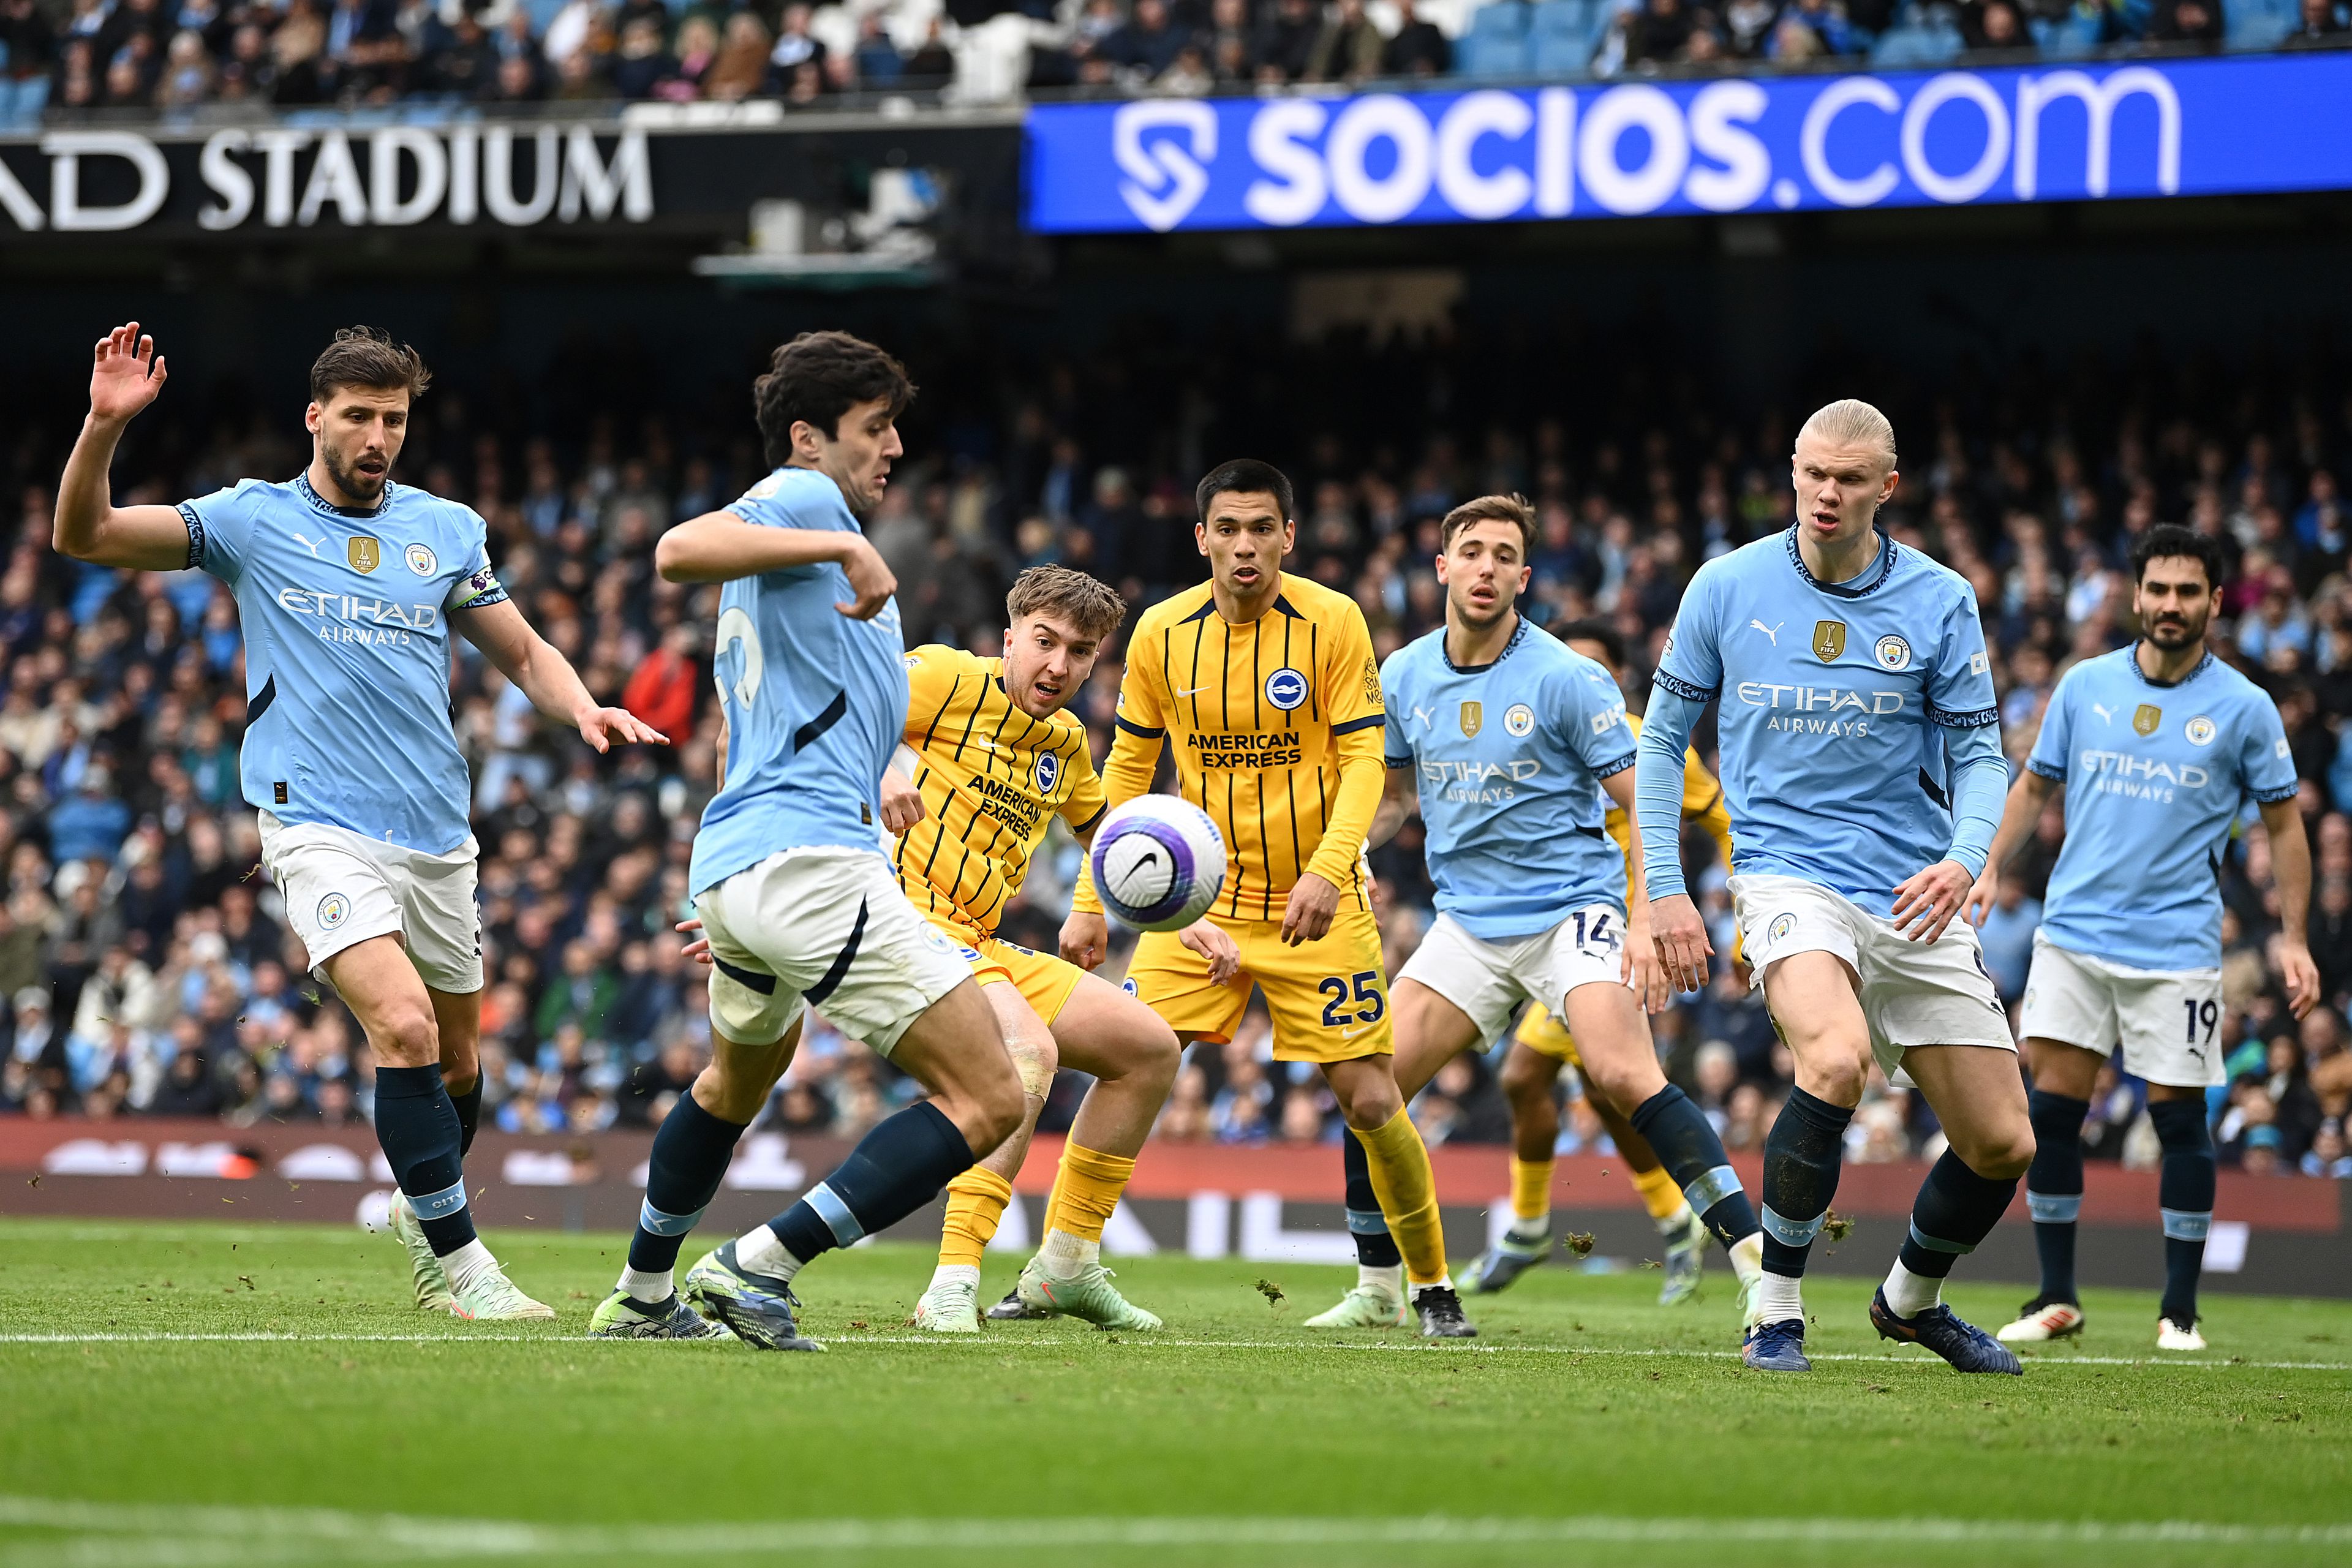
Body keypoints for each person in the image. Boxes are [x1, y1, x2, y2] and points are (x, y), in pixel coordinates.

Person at [53, 323, 663, 1321]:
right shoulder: (251, 520)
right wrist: (101, 429)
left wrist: (582, 704)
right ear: (315, 419)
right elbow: (87, 537)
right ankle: (463, 1269)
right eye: (360, 416)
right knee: (404, 1022)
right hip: (315, 820)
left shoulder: (447, 530)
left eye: (395, 418)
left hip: (436, 829)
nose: (379, 435)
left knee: (459, 1063)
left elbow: (522, 651)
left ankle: (421, 1206)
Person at [589, 331, 1023, 1349]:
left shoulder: (814, 542)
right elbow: (674, 551)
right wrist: (836, 541)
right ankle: (758, 1266)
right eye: (874, 429)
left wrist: (889, 768)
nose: (895, 448)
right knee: (991, 1093)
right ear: (808, 437)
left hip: (745, 863)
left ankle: (643, 1294)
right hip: (809, 866)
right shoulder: (805, 504)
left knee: (736, 1080)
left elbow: (800, 706)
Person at [1640, 398, 2029, 1375]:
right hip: (1785, 875)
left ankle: (1909, 1301)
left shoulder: (1941, 599)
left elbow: (1983, 757)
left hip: (1914, 886)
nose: (1826, 493)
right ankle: (1775, 1309)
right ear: (1793, 473)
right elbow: (1660, 745)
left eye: (1849, 480)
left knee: (2002, 1144)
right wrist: (1665, 887)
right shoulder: (1726, 587)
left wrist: (1964, 857)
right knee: (1836, 1060)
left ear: (1887, 489)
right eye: (1813, 474)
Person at [1059, 460, 1474, 1338]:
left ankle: (1424, 1288)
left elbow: (1367, 759)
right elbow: (1129, 773)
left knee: (1369, 1098)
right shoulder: (1161, 634)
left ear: (1289, 535)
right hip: (1195, 905)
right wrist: (1093, 899)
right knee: (1128, 1055)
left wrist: (1330, 868)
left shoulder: (1333, 621)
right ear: (1201, 536)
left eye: (1261, 530)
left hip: (1312, 898)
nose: (1244, 547)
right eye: (1227, 530)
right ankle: (1063, 1263)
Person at [1337, 500, 1765, 1327]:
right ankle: (1380, 1290)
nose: (1487, 567)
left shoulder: (1568, 676)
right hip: (1465, 923)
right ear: (1443, 568)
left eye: (1505, 555)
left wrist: (1649, 911)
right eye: (1472, 552)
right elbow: (1391, 798)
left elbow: (1648, 796)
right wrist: (1346, 845)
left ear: (1524, 579)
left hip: (1571, 913)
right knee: (1368, 1089)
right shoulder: (1403, 676)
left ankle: (1757, 1269)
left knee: (1625, 1076)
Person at [1970, 524, 2318, 1352]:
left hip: (2175, 948)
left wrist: (2295, 936)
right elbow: (2031, 792)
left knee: (2180, 1124)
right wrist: (1984, 867)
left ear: (2215, 602)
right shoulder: (2085, 686)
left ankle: (2180, 1312)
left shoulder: (2243, 707)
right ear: (2135, 596)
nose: (2170, 605)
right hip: (2075, 935)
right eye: (2158, 589)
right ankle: (2057, 1297)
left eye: (2187, 592)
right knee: (2052, 1116)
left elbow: (2286, 826)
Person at [845, 567, 1184, 1335]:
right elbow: (836, 708)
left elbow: (1107, 838)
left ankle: (1065, 1267)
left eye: (1080, 650)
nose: (1057, 664)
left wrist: (1181, 915)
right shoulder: (942, 676)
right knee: (1027, 1052)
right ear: (1010, 638)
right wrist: (889, 766)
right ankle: (954, 1278)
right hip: (903, 921)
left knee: (1149, 1049)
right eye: (1044, 642)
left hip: (978, 940)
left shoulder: (1065, 741)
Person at [1467, 616, 1744, 1306]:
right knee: (1592, 1088)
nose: (1581, 680)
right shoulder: (1539, 739)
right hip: (1559, 935)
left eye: (1595, 668)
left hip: (1624, 940)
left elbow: (1725, 820)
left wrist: (1745, 925)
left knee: (1550, 1075)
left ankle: (1542, 1227)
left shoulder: (1653, 747)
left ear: (1618, 678)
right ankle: (1675, 1223)